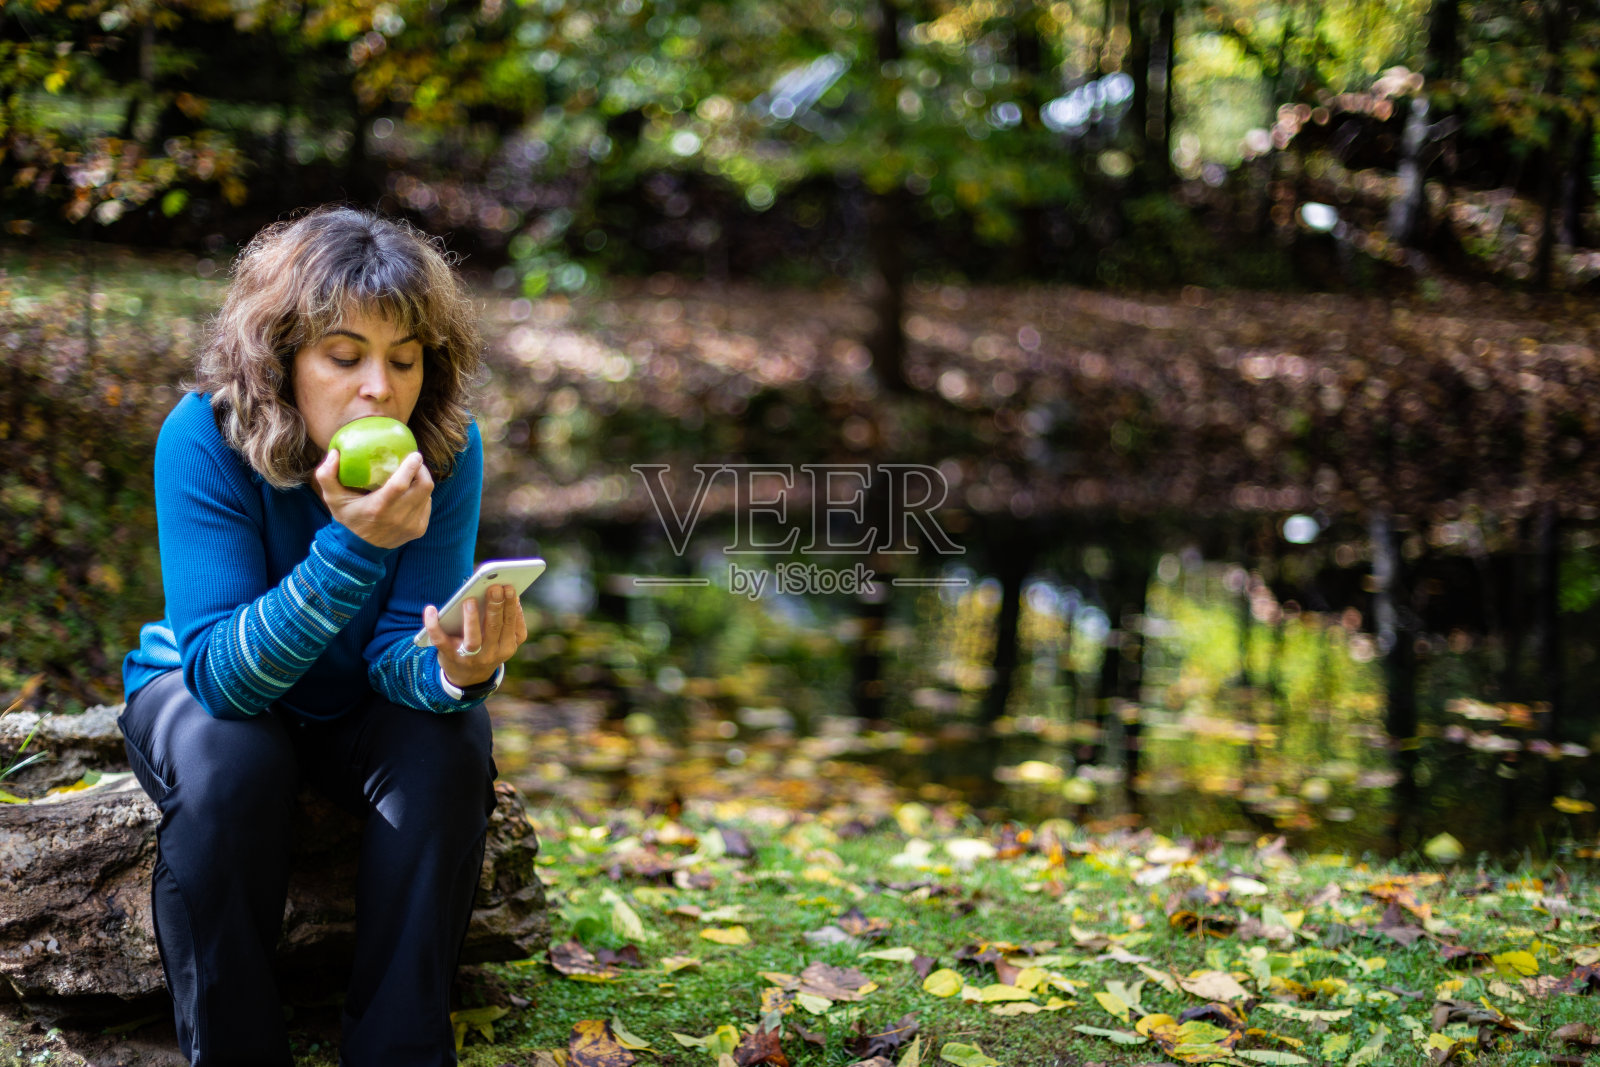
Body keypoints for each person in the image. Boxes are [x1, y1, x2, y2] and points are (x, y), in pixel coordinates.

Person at [119, 204, 528, 1066]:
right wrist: (350, 545)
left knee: (451, 744)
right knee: (236, 760)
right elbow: (224, 678)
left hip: (354, 700)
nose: (379, 387)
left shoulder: (443, 449)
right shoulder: (202, 435)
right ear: (281, 359)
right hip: (203, 686)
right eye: (345, 356)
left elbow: (394, 656)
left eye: (404, 359)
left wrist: (458, 667)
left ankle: (397, 1051)